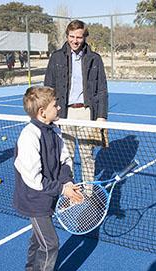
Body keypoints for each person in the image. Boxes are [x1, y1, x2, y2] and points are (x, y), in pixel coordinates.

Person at [13, 86, 83, 271]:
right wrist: (62, 189)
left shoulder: (55, 130)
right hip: (34, 199)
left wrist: (67, 182)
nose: (59, 108)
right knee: (51, 244)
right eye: (55, 105)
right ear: (42, 112)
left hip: (48, 196)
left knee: (38, 242)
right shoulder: (29, 136)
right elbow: (34, 180)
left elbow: (64, 160)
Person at [44, 19, 108, 184]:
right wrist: (51, 112)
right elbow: (48, 87)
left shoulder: (95, 59)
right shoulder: (56, 57)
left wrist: (101, 116)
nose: (75, 41)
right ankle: (70, 192)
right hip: (64, 113)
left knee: (87, 156)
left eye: (79, 37)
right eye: (71, 36)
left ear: (84, 37)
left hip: (87, 113)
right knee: (67, 156)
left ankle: (88, 192)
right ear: (67, 36)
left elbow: (102, 89)